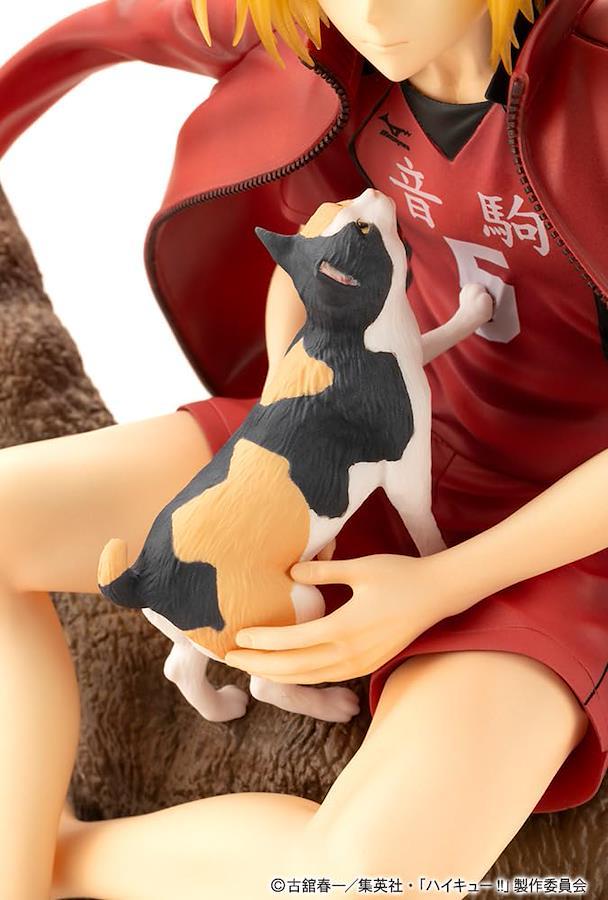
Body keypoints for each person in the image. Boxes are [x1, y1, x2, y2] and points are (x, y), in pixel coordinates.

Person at [0, 0, 607, 897]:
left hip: (560, 547)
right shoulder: (341, 63)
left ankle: (64, 868)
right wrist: (295, 400)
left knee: (369, 881)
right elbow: (130, 28)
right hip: (349, 440)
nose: (371, 12)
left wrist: (441, 585)